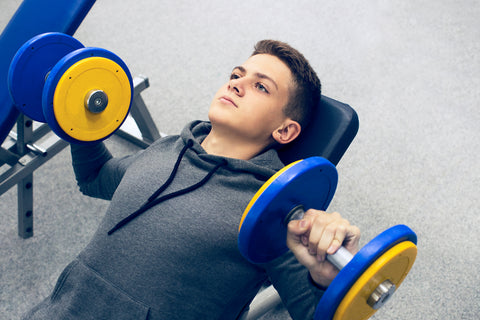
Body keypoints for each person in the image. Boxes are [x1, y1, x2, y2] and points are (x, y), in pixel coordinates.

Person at [23, 40, 360, 320]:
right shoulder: (169, 148)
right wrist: (77, 123)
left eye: (260, 86)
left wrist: (324, 278)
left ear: (285, 130)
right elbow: (95, 178)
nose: (236, 84)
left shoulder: (274, 207)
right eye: (236, 74)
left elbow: (315, 313)